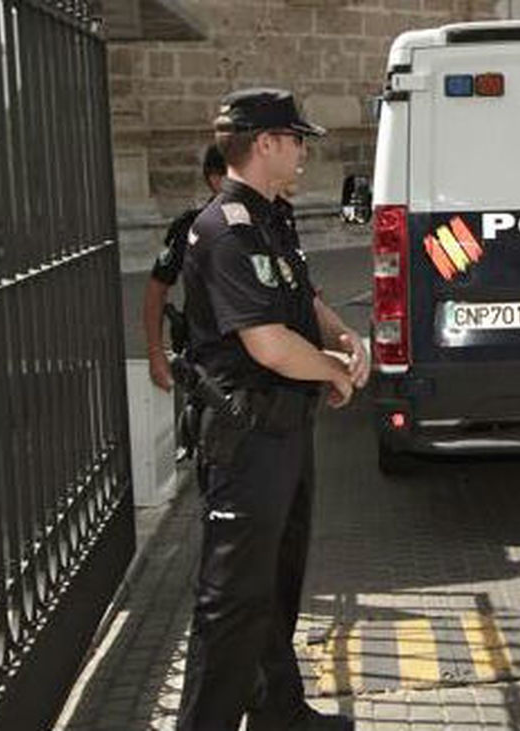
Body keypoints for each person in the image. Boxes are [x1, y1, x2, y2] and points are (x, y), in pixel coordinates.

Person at [175, 88, 368, 731]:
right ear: (265, 144)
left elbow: (301, 300)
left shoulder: (269, 219)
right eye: (295, 138)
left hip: (283, 432)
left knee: (277, 586)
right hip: (245, 437)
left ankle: (280, 714)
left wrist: (342, 337)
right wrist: (333, 371)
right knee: (230, 603)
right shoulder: (221, 228)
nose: (304, 149)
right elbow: (267, 343)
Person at [143, 144, 226, 391]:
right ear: (216, 180)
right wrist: (156, 355)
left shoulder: (270, 221)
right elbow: (156, 289)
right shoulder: (190, 228)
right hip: (208, 359)